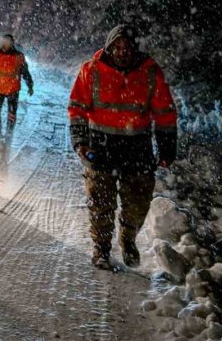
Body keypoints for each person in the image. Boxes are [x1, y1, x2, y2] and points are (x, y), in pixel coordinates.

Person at [68, 24, 177, 270]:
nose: (122, 51)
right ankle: (101, 249)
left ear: (134, 48)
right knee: (100, 202)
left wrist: (167, 148)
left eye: (127, 47)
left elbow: (165, 113)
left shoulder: (150, 72)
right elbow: (76, 107)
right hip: (100, 145)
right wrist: (80, 141)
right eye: (116, 46)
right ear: (109, 47)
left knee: (138, 203)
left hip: (137, 147)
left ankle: (128, 239)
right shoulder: (91, 70)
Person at [0, 34, 34, 130]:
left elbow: (25, 73)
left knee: (9, 112)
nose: (4, 44)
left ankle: (8, 131)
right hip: (2, 88)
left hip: (10, 89)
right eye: (3, 42)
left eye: (6, 42)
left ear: (11, 43)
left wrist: (30, 85)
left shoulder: (18, 56)